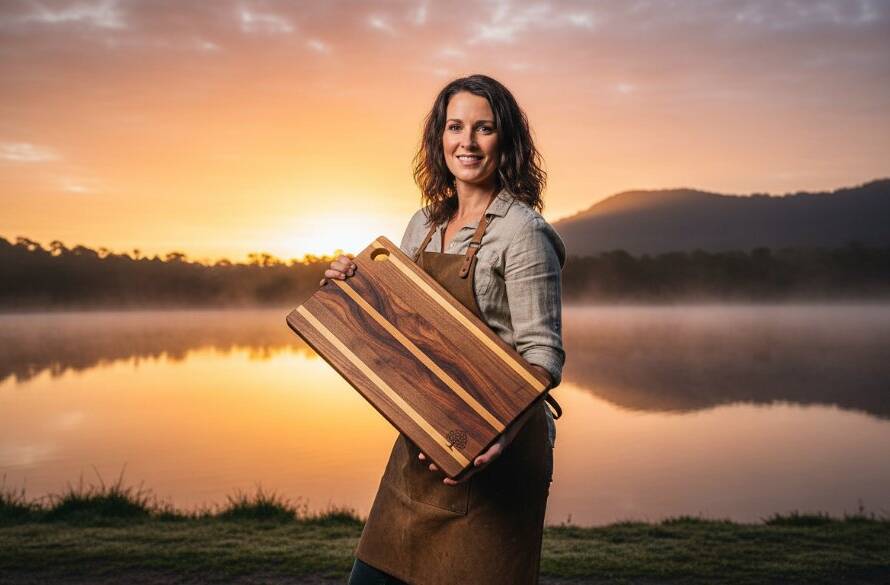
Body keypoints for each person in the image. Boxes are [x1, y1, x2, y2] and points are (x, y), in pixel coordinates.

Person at [325, 74, 566, 585]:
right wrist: (355, 286)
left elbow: (542, 357)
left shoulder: (523, 232)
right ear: (440, 138)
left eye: (484, 128)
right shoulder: (424, 224)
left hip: (496, 450)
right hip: (423, 445)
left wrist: (496, 437)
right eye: (455, 126)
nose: (468, 141)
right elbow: (400, 328)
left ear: (508, 141)